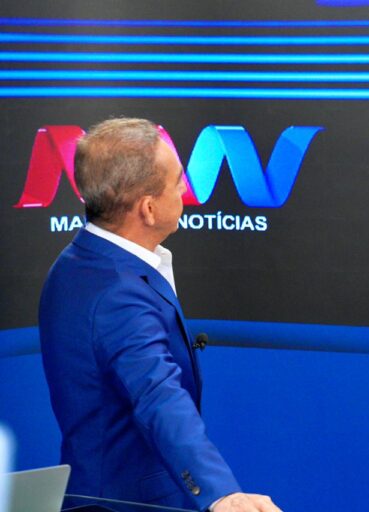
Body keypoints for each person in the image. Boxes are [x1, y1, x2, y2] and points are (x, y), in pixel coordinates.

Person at [39, 118, 282, 512]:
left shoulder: (78, 261)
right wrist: (221, 493)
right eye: (177, 181)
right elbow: (158, 395)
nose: (186, 190)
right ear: (148, 209)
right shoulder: (117, 294)